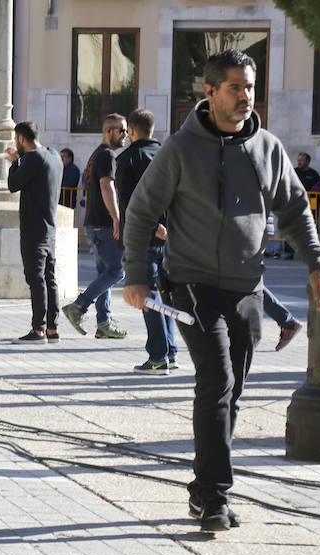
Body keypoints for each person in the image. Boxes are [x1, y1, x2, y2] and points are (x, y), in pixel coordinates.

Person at [122, 49, 320, 532]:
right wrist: (135, 276)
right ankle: (216, 498)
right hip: (192, 284)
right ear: (210, 91)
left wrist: (317, 264)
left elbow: (297, 210)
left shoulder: (268, 148)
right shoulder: (180, 148)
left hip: (247, 288)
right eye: (235, 87)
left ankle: (200, 490)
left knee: (232, 391)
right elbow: (140, 212)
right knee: (216, 381)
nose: (245, 96)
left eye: (250, 87)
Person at [114, 109, 175, 374]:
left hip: (143, 237)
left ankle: (159, 357)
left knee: (147, 294)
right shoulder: (167, 155)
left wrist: (151, 226)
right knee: (166, 295)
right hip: (170, 237)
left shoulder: (129, 158)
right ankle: (170, 352)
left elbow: (130, 203)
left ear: (133, 130)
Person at [62, 114, 129, 340]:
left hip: (94, 223)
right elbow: (106, 186)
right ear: (108, 131)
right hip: (104, 224)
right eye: (121, 130)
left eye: (126, 131)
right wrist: (117, 218)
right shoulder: (107, 155)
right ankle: (78, 306)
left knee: (104, 274)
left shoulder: (96, 155)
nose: (125, 135)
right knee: (117, 271)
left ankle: (104, 323)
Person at [5, 121, 63, 343]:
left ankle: (38, 329)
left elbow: (13, 184)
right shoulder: (54, 155)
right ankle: (52, 329)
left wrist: (14, 163)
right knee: (50, 278)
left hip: (33, 229)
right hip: (50, 228)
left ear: (20, 138)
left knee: (36, 279)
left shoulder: (32, 158)